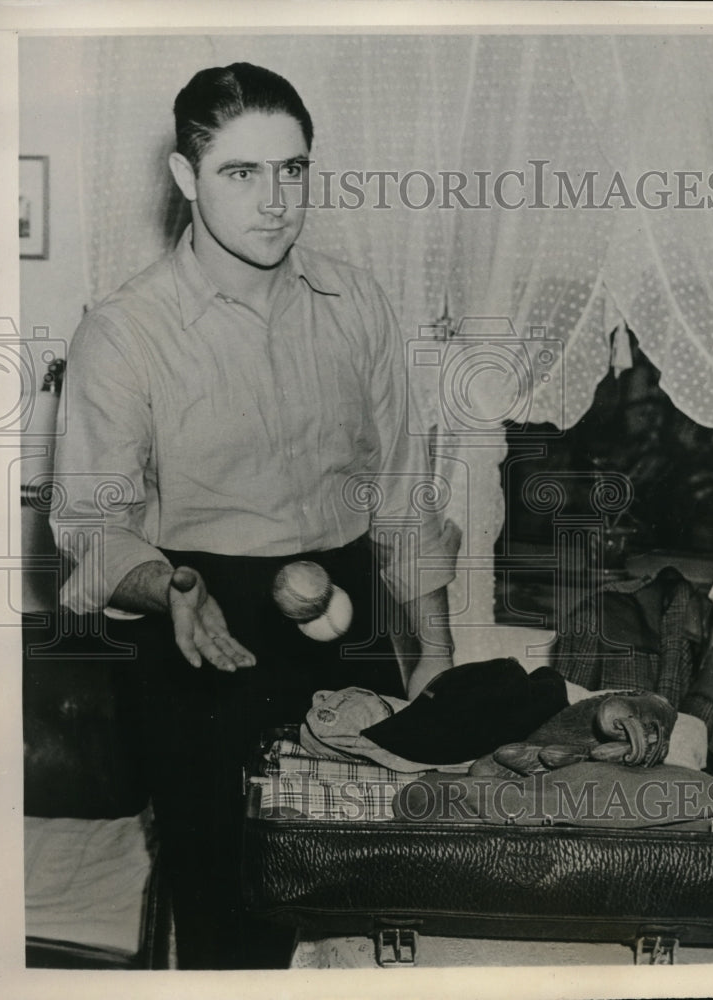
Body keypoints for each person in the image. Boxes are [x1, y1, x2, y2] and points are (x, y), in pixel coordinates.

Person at [51, 62, 457, 968]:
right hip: (202, 628)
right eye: (242, 173)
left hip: (345, 617)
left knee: (368, 899)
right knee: (233, 920)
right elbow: (91, 525)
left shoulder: (359, 305)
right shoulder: (124, 332)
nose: (276, 201)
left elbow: (397, 489)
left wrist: (433, 644)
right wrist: (172, 586)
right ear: (187, 178)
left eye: (293, 169)